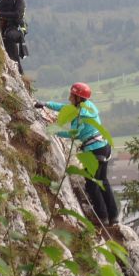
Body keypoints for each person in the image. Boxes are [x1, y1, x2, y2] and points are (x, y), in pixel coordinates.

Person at [35, 82, 119, 228]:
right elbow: (65, 108)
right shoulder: (88, 106)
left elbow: (74, 135)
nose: (69, 97)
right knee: (103, 181)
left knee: (92, 185)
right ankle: (113, 216)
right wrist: (46, 104)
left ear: (78, 98)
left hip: (94, 150)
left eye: (72, 95)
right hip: (103, 147)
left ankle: (103, 217)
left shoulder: (80, 115)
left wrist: (53, 130)